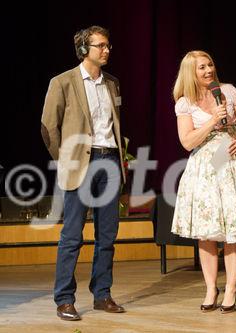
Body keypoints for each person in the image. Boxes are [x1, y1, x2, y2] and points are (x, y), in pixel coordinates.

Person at [171, 50, 236, 313]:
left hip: (230, 161)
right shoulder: (185, 103)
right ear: (191, 73)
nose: (208, 70)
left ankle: (233, 286)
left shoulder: (228, 91)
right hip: (204, 166)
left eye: (210, 64)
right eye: (201, 67)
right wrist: (213, 121)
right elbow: (187, 141)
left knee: (232, 230)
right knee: (206, 232)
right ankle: (210, 287)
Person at [41, 25, 126, 320]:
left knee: (107, 235)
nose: (107, 50)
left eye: (107, 45)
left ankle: (102, 294)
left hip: (110, 161)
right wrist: (67, 159)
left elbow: (114, 125)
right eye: (100, 46)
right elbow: (48, 128)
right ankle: (64, 299)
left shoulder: (112, 83)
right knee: (72, 236)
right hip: (80, 165)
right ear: (83, 50)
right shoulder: (62, 82)